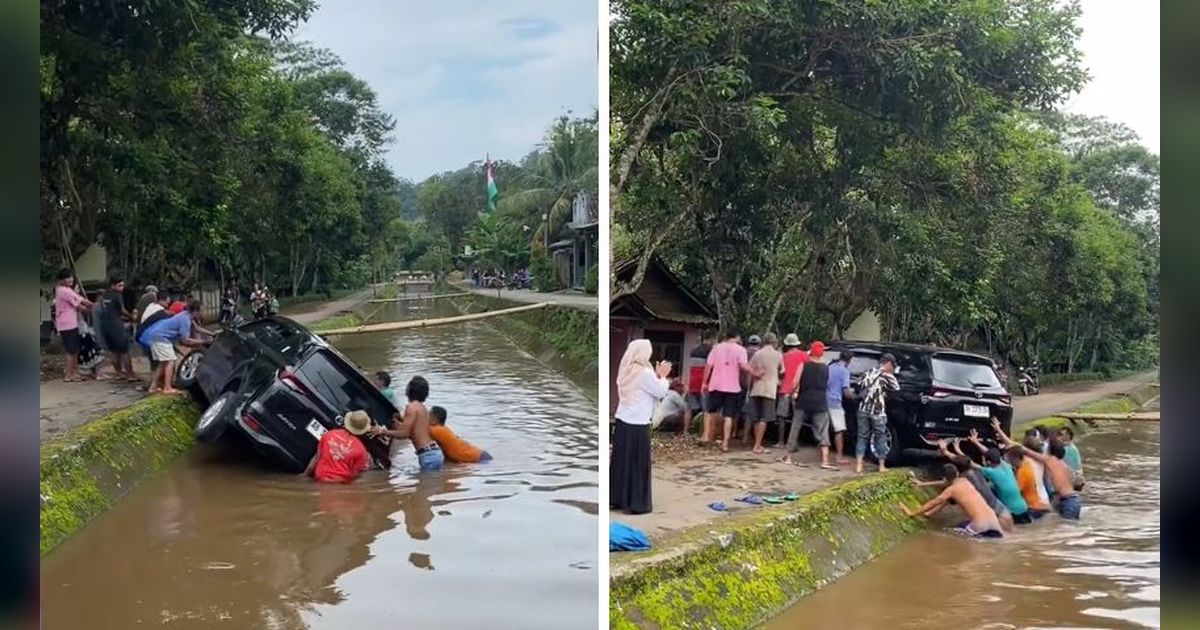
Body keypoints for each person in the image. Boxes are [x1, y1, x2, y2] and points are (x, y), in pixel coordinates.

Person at [611, 339, 672, 514]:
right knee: (637, 464)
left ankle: (617, 498)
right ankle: (636, 503)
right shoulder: (645, 373)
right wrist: (663, 376)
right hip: (638, 424)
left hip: (623, 421)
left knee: (622, 462)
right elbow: (660, 391)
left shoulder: (625, 370)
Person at [992, 418, 1081, 520]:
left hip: (1063, 503)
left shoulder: (1049, 460)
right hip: (1071, 500)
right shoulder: (1063, 465)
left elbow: (1022, 449)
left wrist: (999, 430)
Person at [902, 463, 1004, 538]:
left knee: (949, 533)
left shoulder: (951, 490)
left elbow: (934, 501)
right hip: (994, 520)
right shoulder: (965, 480)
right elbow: (944, 482)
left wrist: (912, 513)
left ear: (945, 478)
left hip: (979, 525)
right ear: (957, 473)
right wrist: (922, 484)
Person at [932, 439, 1014, 532]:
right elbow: (964, 461)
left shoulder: (965, 480)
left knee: (951, 532)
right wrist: (947, 452)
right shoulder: (975, 471)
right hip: (1005, 514)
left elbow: (944, 496)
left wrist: (946, 451)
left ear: (957, 471)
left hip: (998, 519)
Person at [701, 332, 762, 452]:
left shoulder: (716, 348)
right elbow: (744, 365)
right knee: (728, 416)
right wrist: (755, 373)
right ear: (737, 337)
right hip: (732, 387)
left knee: (711, 413)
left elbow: (708, 366)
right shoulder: (740, 350)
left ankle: (709, 438)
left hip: (716, 385)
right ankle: (725, 444)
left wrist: (704, 382)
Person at [368, 376, 443, 472]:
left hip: (427, 456)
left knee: (425, 486)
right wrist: (400, 422)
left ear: (409, 390)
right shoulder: (423, 408)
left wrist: (382, 431)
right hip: (434, 453)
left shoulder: (411, 407)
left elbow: (404, 434)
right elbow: (416, 431)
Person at [960, 431, 1034, 524]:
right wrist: (976, 442)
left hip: (1013, 512)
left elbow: (969, 463)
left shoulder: (991, 472)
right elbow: (989, 453)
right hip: (1024, 507)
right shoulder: (1006, 466)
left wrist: (955, 451)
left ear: (988, 462)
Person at [137, 299, 207, 395]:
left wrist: (211, 333)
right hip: (161, 338)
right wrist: (204, 341)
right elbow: (185, 340)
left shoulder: (186, 314)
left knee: (162, 363)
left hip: (156, 337)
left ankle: (152, 387)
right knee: (171, 361)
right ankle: (167, 388)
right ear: (196, 310)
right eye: (202, 310)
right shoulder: (185, 320)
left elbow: (196, 328)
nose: (202, 313)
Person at [783, 341, 833, 468]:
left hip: (803, 400)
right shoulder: (826, 368)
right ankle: (825, 461)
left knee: (795, 428)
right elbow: (827, 385)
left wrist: (791, 393)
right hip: (820, 401)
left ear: (810, 352)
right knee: (823, 430)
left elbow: (795, 382)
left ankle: (789, 457)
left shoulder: (803, 365)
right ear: (821, 354)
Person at [855, 353, 900, 473]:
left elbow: (859, 384)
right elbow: (896, 388)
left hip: (863, 408)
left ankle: (859, 465)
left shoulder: (868, 371)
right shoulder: (887, 375)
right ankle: (881, 466)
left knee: (862, 436)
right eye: (893, 365)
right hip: (878, 411)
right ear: (889, 363)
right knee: (880, 437)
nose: (893, 368)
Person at [302, 410, 371, 483]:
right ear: (363, 430)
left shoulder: (329, 434)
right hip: (340, 483)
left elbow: (316, 458)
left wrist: (305, 475)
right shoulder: (361, 451)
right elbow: (354, 475)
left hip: (320, 478)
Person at [54, 269, 95, 383]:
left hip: (71, 323)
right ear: (62, 280)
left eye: (71, 277)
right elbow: (79, 300)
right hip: (67, 324)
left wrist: (88, 308)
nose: (71, 279)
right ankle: (68, 374)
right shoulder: (63, 290)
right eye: (68, 278)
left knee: (75, 350)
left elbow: (78, 303)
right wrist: (94, 305)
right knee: (71, 350)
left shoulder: (66, 290)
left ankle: (74, 372)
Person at [747, 332, 783, 454]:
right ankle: (757, 445)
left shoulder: (757, 353)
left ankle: (756, 444)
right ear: (774, 342)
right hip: (769, 389)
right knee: (764, 418)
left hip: (756, 388)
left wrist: (751, 383)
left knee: (756, 418)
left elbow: (749, 369)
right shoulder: (778, 355)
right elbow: (783, 371)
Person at [96, 276, 137, 383]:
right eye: (119, 285)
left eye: (122, 285)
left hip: (105, 325)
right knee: (125, 350)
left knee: (113, 351)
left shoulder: (104, 295)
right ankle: (130, 374)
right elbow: (122, 310)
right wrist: (132, 318)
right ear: (113, 285)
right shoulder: (117, 295)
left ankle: (119, 373)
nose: (122, 288)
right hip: (116, 325)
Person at [776, 334, 808, 447]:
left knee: (781, 416)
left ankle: (780, 441)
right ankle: (794, 442)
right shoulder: (804, 356)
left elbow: (780, 373)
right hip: (798, 390)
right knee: (797, 417)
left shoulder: (782, 357)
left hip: (784, 389)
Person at [682, 333, 715, 438]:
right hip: (703, 383)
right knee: (706, 410)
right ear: (711, 339)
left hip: (692, 382)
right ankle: (704, 433)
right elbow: (708, 368)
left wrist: (687, 383)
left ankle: (685, 431)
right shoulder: (711, 351)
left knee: (689, 408)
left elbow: (690, 367)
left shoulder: (694, 350)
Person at [826, 349, 854, 465]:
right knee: (839, 430)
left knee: (824, 429)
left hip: (824, 400)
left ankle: (824, 455)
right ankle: (839, 457)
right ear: (849, 360)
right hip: (835, 402)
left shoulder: (830, 367)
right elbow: (846, 391)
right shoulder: (845, 371)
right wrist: (856, 396)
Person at [738, 335, 763, 444]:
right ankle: (753, 438)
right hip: (756, 384)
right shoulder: (761, 353)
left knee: (741, 410)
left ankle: (740, 434)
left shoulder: (743, 351)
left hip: (740, 384)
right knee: (756, 412)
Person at [1058, 426, 1085, 490]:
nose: (1059, 437)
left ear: (1068, 436)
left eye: (1061, 434)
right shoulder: (1066, 447)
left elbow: (1072, 468)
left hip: (1071, 479)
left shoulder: (1070, 449)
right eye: (1059, 434)